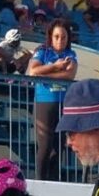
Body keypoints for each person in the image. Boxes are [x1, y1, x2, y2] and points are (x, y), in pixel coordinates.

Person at [27, 18, 78, 180]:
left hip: (63, 103)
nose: (60, 41)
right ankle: (40, 182)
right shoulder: (42, 51)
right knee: (45, 145)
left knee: (58, 146)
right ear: (51, 37)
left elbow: (69, 75)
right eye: (56, 37)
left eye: (63, 37)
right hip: (44, 102)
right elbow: (33, 71)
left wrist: (47, 73)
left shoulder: (70, 54)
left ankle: (54, 182)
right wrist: (56, 67)